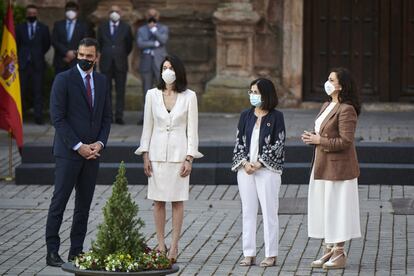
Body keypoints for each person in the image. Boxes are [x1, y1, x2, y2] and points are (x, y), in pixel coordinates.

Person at [45, 38, 112, 267]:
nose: (85, 59)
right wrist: (79, 146)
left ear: (97, 57)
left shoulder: (102, 82)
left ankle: (76, 251)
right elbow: (58, 118)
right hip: (68, 153)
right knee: (59, 203)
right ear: (77, 54)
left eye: (89, 56)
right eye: (81, 55)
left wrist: (99, 144)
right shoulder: (63, 80)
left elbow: (106, 118)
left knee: (83, 205)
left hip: (93, 154)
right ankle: (52, 251)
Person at [134, 55, 202, 263]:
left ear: (178, 71)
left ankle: (174, 247)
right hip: (156, 155)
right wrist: (145, 154)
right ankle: (161, 245)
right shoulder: (152, 95)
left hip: (179, 155)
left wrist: (189, 157)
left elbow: (193, 129)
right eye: (164, 67)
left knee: (178, 202)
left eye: (171, 67)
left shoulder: (189, 96)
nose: (167, 71)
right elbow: (148, 127)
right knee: (158, 202)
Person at [301, 67, 361, 269]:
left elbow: (345, 141)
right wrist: (312, 137)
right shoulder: (326, 105)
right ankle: (328, 249)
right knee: (324, 208)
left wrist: (320, 140)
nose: (327, 82)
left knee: (338, 209)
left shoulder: (347, 109)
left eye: (331, 79)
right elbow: (323, 132)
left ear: (341, 85)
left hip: (339, 170)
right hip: (321, 165)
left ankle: (339, 253)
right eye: (327, 78)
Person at [231, 78, 285, 267]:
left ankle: (271, 254)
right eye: (251, 92)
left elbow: (278, 144)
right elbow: (239, 142)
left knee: (270, 211)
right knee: (248, 211)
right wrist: (245, 163)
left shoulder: (276, 117)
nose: (252, 95)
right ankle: (249, 253)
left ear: (266, 94)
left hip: (267, 171)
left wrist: (260, 163)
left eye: (256, 92)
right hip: (245, 170)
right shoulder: (245, 115)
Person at [97, 5, 133, 125]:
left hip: (120, 63)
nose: (114, 13)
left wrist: (120, 53)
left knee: (120, 90)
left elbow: (129, 45)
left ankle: (119, 116)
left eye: (117, 11)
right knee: (105, 90)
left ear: (121, 13)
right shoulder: (102, 27)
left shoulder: (126, 27)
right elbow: (99, 43)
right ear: (108, 14)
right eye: (112, 11)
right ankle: (107, 116)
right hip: (106, 63)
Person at [15, 4, 50, 125]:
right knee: (21, 91)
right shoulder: (19, 28)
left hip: (37, 65)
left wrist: (37, 55)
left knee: (38, 92)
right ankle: (20, 117)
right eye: (29, 13)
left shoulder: (43, 28)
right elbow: (16, 44)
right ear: (26, 14)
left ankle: (38, 117)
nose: (32, 15)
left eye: (34, 13)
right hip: (23, 64)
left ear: (37, 14)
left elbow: (46, 44)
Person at [136, 8, 169, 123]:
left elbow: (163, 40)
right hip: (146, 62)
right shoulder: (141, 29)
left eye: (154, 15)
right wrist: (154, 43)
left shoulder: (163, 28)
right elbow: (140, 44)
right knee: (146, 90)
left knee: (162, 89)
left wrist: (154, 30)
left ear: (158, 16)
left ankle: (162, 116)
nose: (152, 17)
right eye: (150, 15)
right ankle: (145, 117)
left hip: (159, 62)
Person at [51, 1, 93, 74]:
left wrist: (74, 53)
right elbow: (54, 41)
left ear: (77, 12)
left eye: (73, 10)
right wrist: (66, 52)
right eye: (68, 10)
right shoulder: (58, 24)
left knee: (76, 84)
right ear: (65, 11)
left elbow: (85, 42)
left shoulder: (83, 26)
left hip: (77, 62)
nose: (70, 12)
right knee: (60, 84)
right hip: (61, 61)